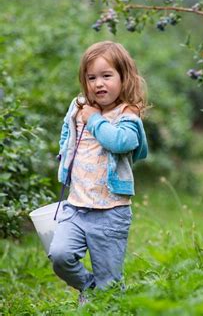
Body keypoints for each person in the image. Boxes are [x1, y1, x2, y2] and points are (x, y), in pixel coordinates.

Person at [48, 41, 148, 305]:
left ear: (124, 78)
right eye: (91, 77)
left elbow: (121, 143)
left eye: (107, 76)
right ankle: (90, 288)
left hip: (111, 211)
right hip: (77, 206)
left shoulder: (127, 115)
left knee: (110, 283)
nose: (98, 84)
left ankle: (105, 299)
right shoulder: (78, 105)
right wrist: (64, 155)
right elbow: (67, 130)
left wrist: (94, 118)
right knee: (59, 255)